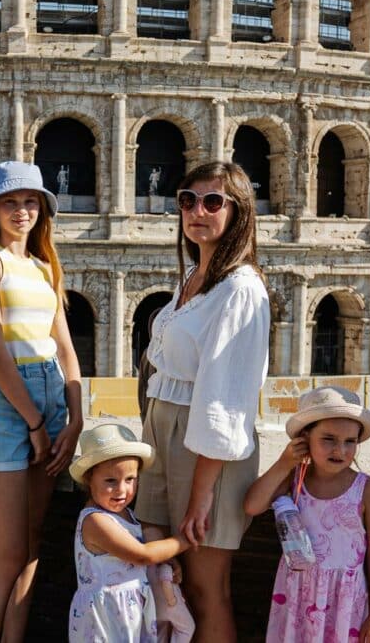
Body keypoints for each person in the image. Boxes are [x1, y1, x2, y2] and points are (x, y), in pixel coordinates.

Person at [138, 160, 270, 640]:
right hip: (164, 429)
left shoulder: (241, 288)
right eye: (187, 200)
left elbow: (227, 395)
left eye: (213, 201)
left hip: (206, 448)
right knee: (168, 578)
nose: (197, 210)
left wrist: (202, 492)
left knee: (204, 583)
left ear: (238, 212)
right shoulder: (193, 276)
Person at [0, 161, 86, 643]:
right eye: (12, 202)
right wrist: (35, 421)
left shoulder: (44, 266)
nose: (22, 210)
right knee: (9, 552)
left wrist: (76, 418)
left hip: (52, 398)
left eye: (31, 201)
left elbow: (66, 350)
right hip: (11, 399)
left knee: (33, 545)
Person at [244, 387, 370, 642]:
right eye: (329, 439)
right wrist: (284, 463)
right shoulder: (294, 480)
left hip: (344, 602)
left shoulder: (366, 490)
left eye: (350, 442)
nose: (340, 450)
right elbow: (252, 506)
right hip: (296, 597)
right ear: (304, 438)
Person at [67, 423, 190, 643]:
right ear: (88, 479)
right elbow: (142, 554)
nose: (122, 490)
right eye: (110, 481)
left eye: (130, 479)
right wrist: (183, 541)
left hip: (128, 613)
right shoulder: (95, 520)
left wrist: (168, 558)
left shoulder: (127, 516)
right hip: (104, 619)